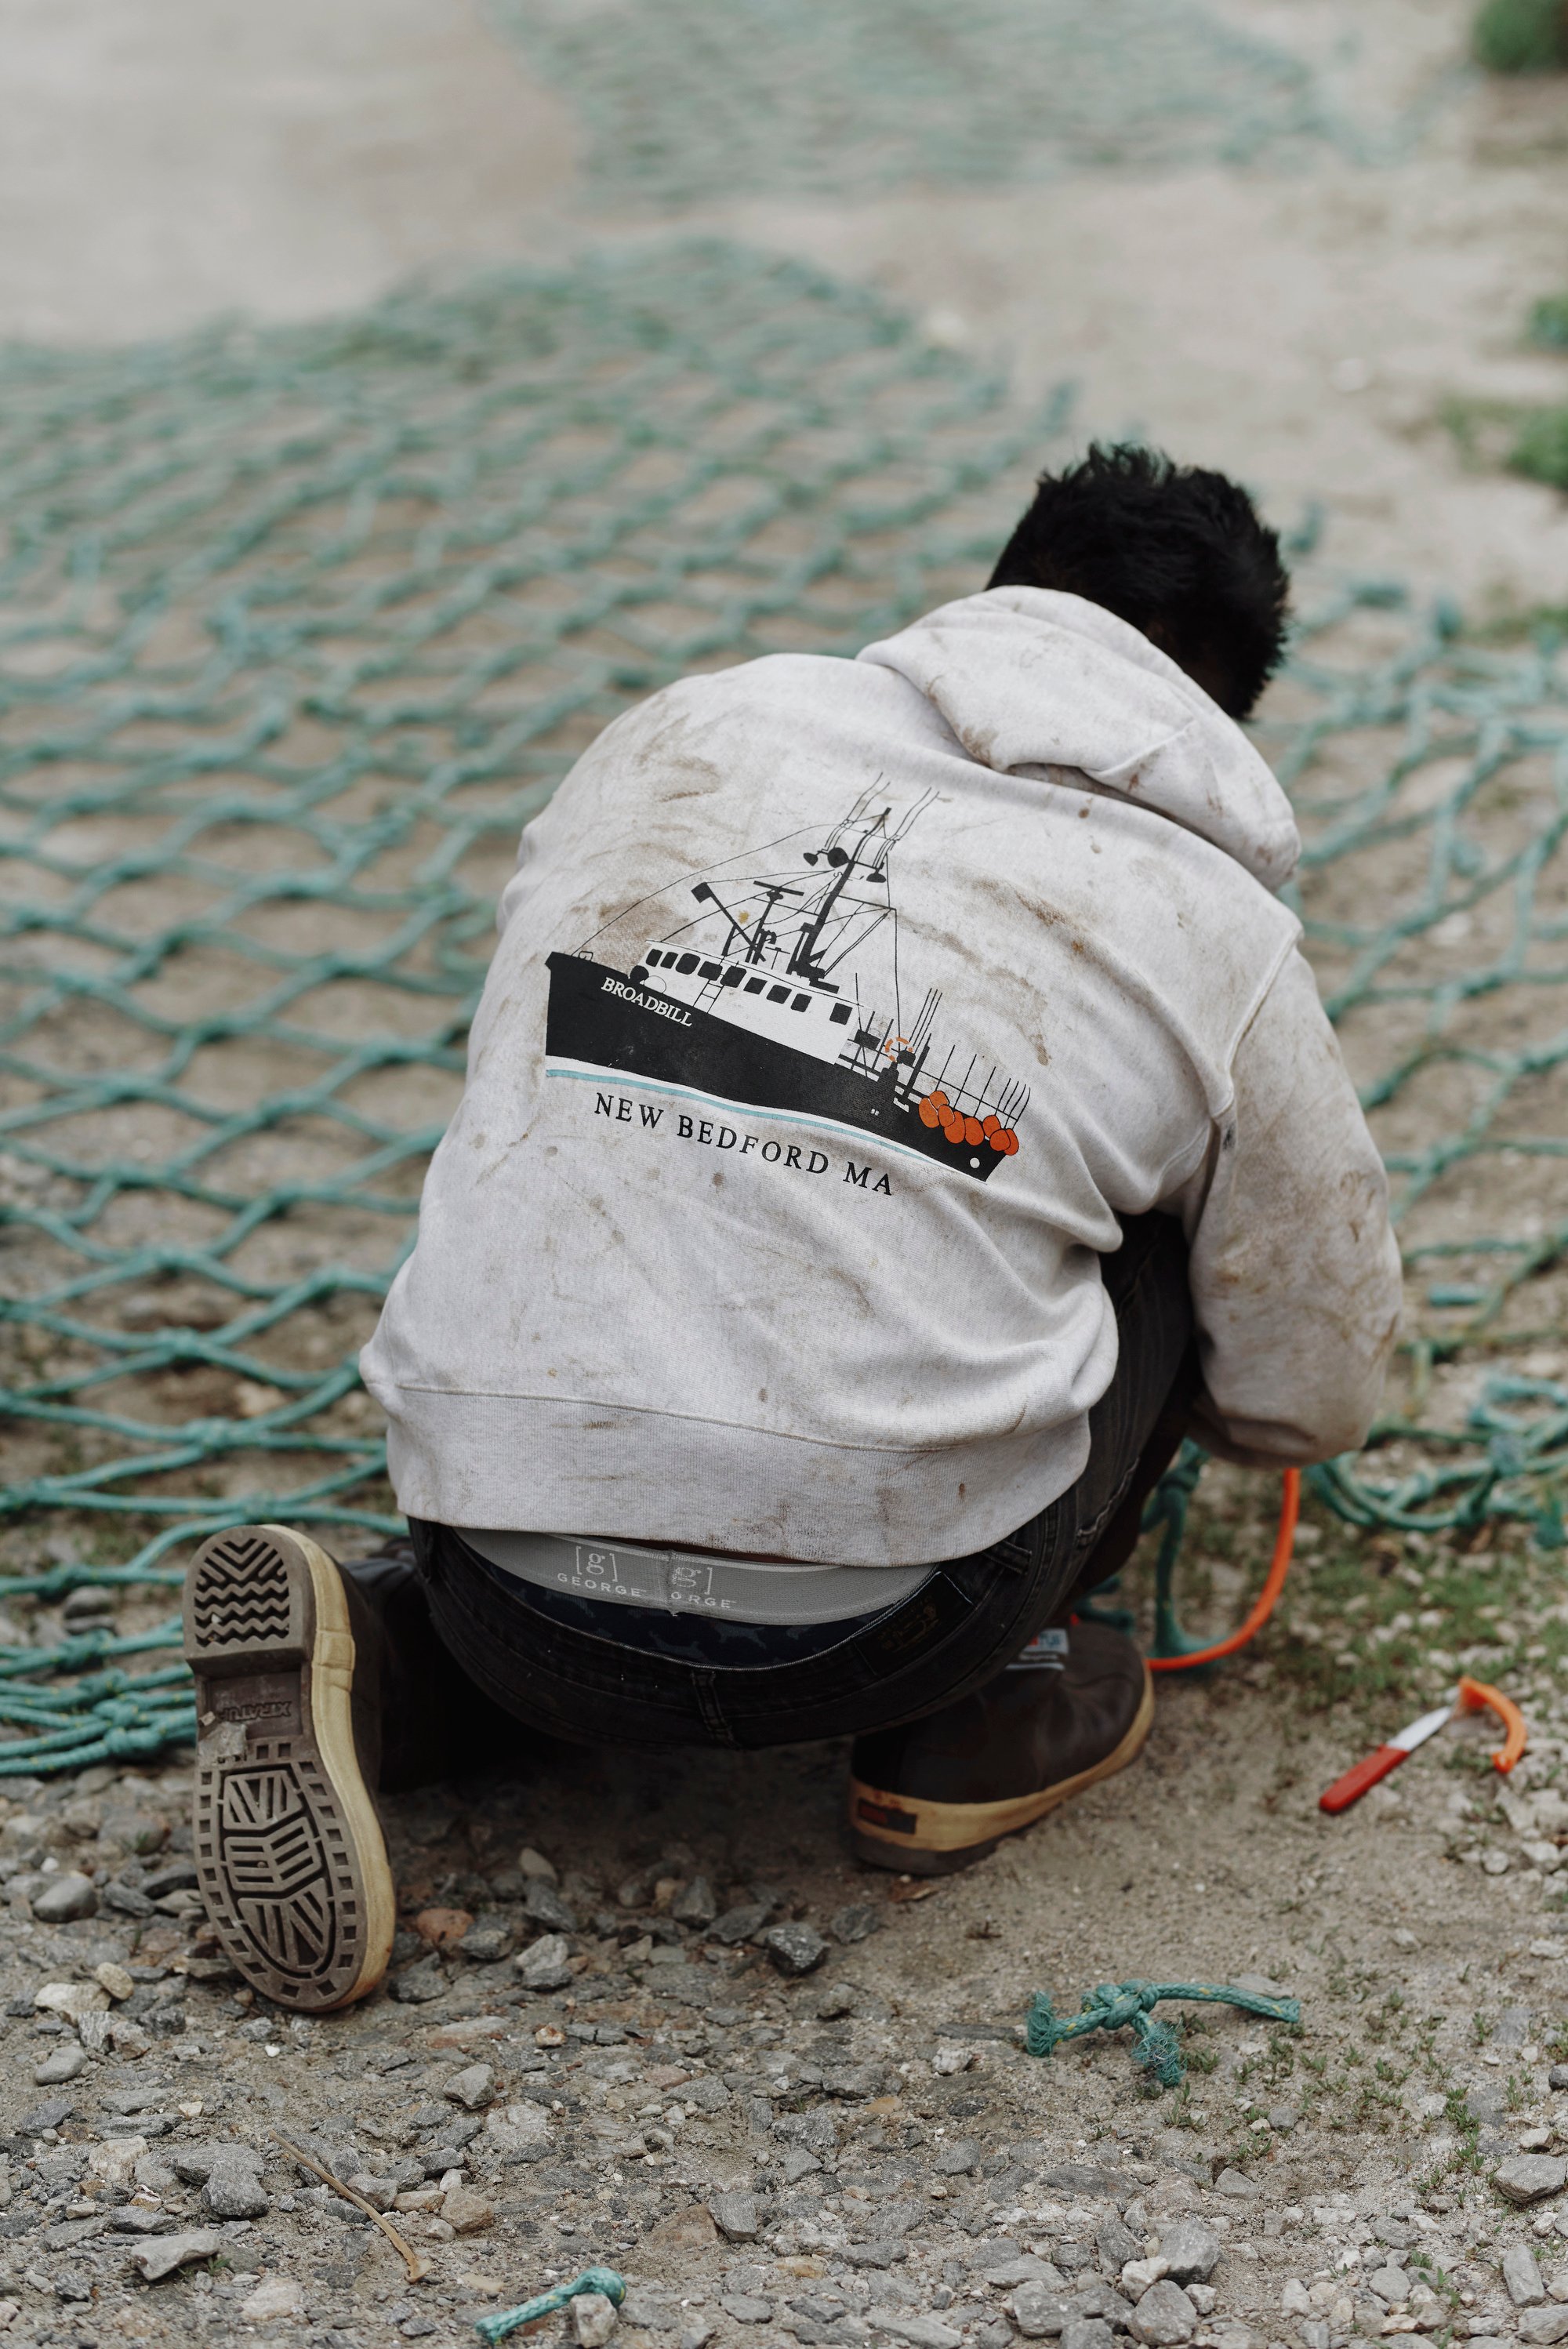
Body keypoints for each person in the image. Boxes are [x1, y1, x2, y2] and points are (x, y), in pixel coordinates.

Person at [180, 445, 1401, 2013]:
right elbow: (1316, 1381)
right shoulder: (1212, 922)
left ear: (1000, 591)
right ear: (1222, 705)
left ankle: (393, 1652)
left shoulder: (683, 729)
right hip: (887, 1634)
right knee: (1186, 1220)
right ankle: (979, 1716)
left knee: (597, 1096)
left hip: (503, 1580)